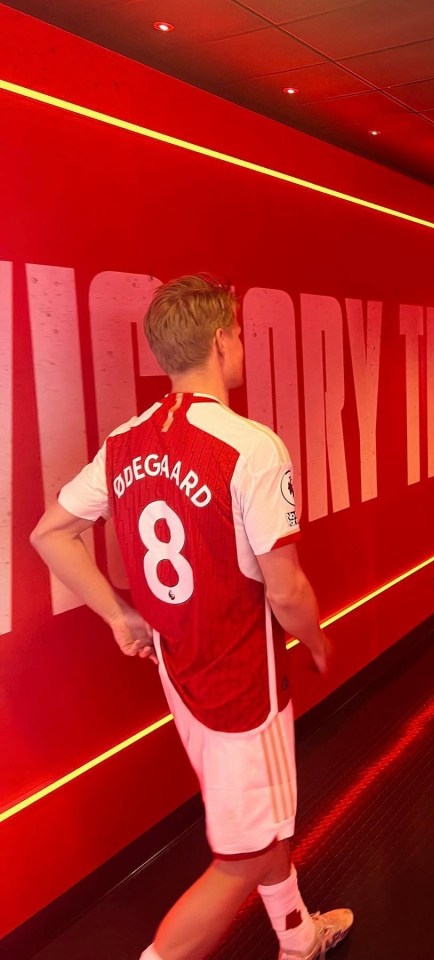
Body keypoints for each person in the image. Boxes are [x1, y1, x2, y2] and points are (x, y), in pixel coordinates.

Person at [30, 275, 353, 960]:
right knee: (244, 855)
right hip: (243, 686)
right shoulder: (250, 447)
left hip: (183, 677)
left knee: (261, 828)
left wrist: (120, 616)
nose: (240, 343)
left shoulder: (123, 442)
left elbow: (50, 531)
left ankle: (298, 938)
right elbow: (286, 588)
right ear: (220, 340)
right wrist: (317, 638)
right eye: (237, 332)